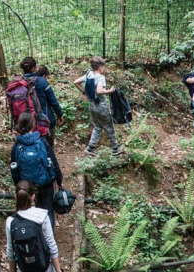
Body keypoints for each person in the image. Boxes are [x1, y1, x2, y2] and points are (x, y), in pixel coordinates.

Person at [20, 56, 64, 187]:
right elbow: (53, 101)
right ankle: (50, 174)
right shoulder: (41, 82)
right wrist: (60, 114)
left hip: (26, 122)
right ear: (34, 67)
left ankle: (32, 170)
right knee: (48, 147)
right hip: (44, 122)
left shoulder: (18, 83)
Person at [9, 113, 59, 221]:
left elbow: (14, 167)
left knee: (28, 212)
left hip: (26, 186)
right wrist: (58, 180)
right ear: (33, 125)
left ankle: (33, 234)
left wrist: (18, 184)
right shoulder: (41, 141)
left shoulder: (17, 146)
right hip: (45, 182)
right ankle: (48, 235)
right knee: (47, 210)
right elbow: (52, 161)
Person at [74, 56, 122, 157]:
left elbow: (76, 82)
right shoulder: (101, 77)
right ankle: (115, 149)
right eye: (103, 66)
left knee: (97, 127)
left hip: (92, 106)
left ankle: (90, 148)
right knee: (109, 127)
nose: (104, 69)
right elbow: (99, 91)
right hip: (101, 106)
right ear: (100, 67)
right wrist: (110, 90)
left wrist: (84, 91)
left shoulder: (88, 74)